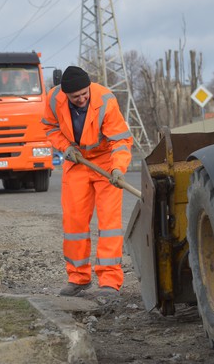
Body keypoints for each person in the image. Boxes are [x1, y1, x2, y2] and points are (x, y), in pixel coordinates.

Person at [42, 66, 133, 298]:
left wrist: (117, 169)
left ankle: (110, 281)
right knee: (74, 222)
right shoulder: (53, 99)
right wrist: (66, 148)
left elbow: (121, 141)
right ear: (65, 95)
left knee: (109, 223)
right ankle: (78, 278)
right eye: (76, 97)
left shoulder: (105, 100)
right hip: (77, 160)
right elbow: (50, 128)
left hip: (105, 164)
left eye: (84, 93)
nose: (82, 98)